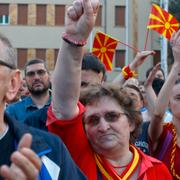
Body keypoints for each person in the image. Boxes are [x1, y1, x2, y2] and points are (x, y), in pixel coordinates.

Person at [46, 0, 172, 179]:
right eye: (93, 120)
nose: (103, 127)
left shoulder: (158, 170)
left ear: (131, 122)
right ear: (84, 130)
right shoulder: (78, 156)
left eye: (112, 116)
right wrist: (74, 40)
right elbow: (64, 105)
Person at [0, 33, 86, 180]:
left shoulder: (51, 152)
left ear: (13, 83)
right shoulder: (15, 110)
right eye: (32, 74)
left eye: (40, 72)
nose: (37, 77)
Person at [148, 30, 180, 179]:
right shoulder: (163, 134)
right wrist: (177, 65)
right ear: (168, 103)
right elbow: (157, 114)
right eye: (179, 98)